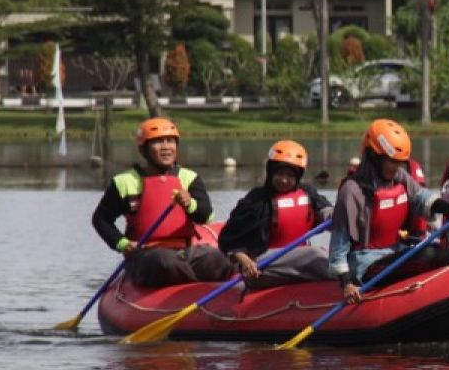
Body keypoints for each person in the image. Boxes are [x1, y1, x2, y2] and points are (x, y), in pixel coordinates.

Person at [330, 118, 449, 304]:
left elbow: (424, 200)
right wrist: (347, 284)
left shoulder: (399, 177)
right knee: (433, 255)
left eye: (399, 162)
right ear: (374, 156)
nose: (396, 167)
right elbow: (338, 245)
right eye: (391, 161)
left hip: (397, 252)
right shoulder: (352, 190)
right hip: (367, 265)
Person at [92, 117, 232, 287]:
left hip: (185, 252)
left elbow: (206, 216)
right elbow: (101, 219)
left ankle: (201, 290)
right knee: (165, 261)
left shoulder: (189, 178)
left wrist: (190, 204)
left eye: (171, 141)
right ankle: (192, 289)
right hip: (145, 255)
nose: (166, 147)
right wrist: (122, 243)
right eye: (158, 142)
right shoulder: (124, 182)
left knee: (216, 258)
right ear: (144, 149)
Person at [218, 139, 334, 290]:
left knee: (326, 257)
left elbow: (327, 213)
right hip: (263, 266)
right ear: (271, 172)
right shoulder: (257, 200)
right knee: (315, 255)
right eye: (280, 174)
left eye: (290, 176)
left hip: (300, 263)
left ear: (298, 176)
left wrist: (338, 216)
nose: (284, 180)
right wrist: (245, 261)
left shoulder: (308, 193)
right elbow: (227, 242)